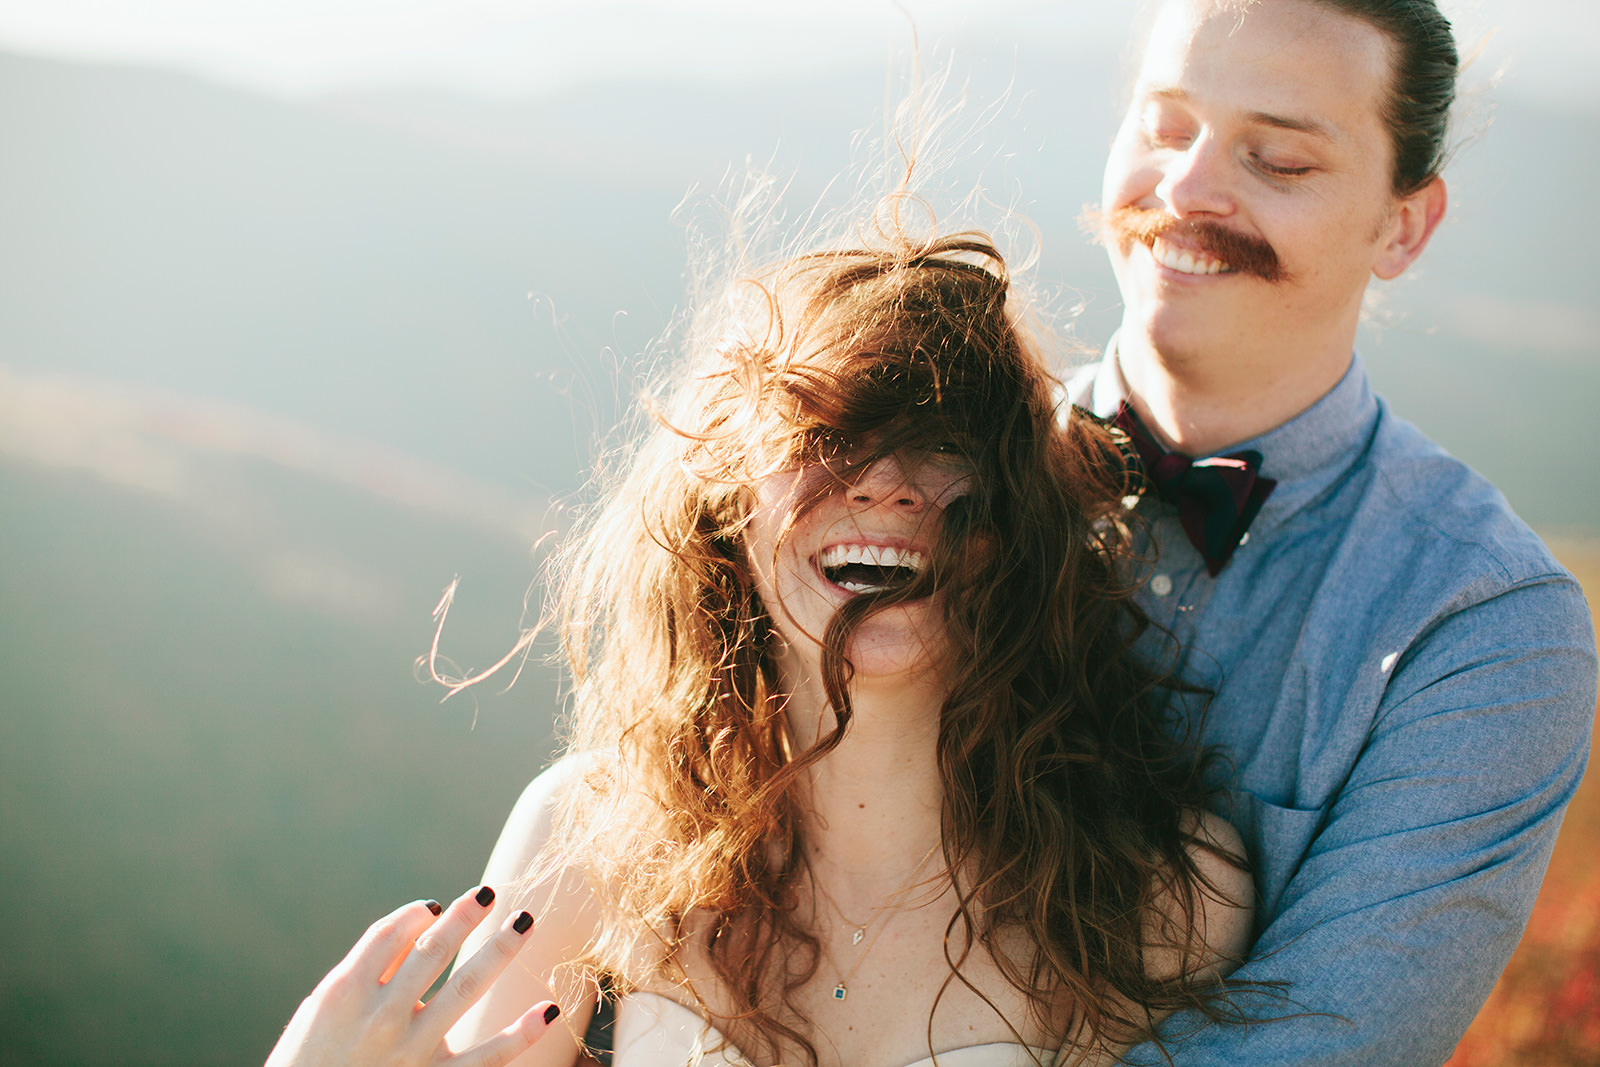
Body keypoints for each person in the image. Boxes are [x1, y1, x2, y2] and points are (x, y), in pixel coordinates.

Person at [417, 227, 1262, 1067]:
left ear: (1014, 519)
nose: (883, 484)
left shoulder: (1160, 901)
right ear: (728, 501)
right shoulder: (587, 839)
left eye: (943, 441)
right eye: (826, 433)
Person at [1073, 0, 1598, 1063]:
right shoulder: (901, 490)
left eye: (1277, 160)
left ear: (1401, 226)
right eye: (1166, 128)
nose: (1183, 190)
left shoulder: (1485, 627)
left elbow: (1310, 1046)